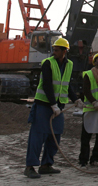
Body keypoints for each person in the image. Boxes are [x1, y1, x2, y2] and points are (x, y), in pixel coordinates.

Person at [24, 37, 77, 179]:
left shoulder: (69, 64)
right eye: (53, 49)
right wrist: (53, 104)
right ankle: (30, 167)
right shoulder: (47, 63)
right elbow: (47, 84)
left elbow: (67, 85)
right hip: (43, 105)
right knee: (38, 136)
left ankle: (46, 165)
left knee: (55, 136)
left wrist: (77, 99)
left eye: (57, 50)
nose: (54, 52)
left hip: (58, 106)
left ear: (65, 51)